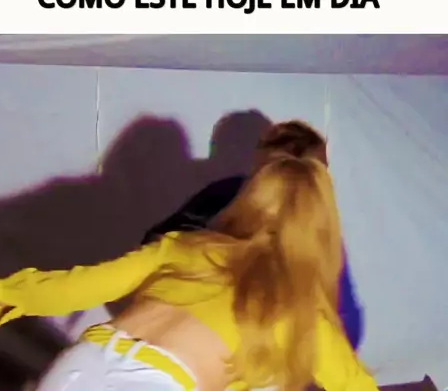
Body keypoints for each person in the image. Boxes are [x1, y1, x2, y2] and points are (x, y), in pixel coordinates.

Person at [0, 155, 380, 391]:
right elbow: (356, 390)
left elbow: (78, 284)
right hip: (157, 386)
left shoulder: (188, 247)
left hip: (82, 362)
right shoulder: (303, 310)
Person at [144, 119, 365, 351]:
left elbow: (345, 325)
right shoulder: (225, 193)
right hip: (191, 332)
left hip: (262, 350)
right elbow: (156, 244)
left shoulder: (318, 231)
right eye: (263, 171)